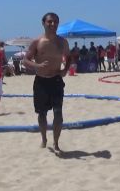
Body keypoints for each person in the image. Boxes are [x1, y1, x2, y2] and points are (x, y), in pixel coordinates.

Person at [23, 12, 71, 152]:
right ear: (43, 23)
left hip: (56, 80)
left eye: (55, 22)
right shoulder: (37, 42)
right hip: (41, 82)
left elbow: (69, 58)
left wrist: (65, 70)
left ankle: (56, 143)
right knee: (42, 114)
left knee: (58, 113)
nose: (53, 24)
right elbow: (25, 60)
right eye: (50, 22)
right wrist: (37, 66)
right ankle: (44, 138)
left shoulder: (62, 42)